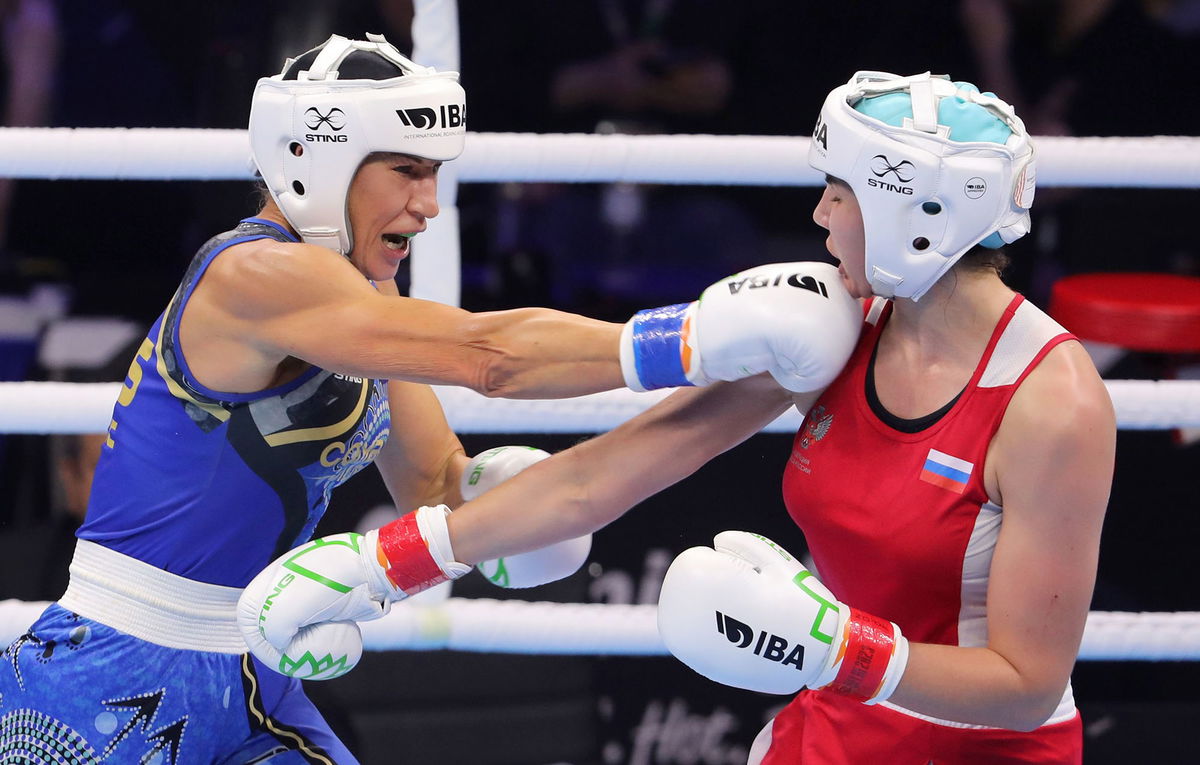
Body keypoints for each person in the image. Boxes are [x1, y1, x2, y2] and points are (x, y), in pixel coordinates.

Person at [0, 32, 860, 763]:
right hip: (106, 672)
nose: (430, 205)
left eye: (435, 173)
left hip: (256, 677)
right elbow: (491, 358)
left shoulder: (368, 315)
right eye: (408, 172)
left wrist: (752, 386)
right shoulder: (252, 273)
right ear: (319, 161)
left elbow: (444, 493)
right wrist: (697, 336)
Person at [243, 70, 1114, 764]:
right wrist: (390, 561)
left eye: (839, 193)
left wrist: (838, 650)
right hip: (839, 734)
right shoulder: (841, 329)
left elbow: (1026, 683)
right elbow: (607, 472)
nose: (818, 215)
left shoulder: (1051, 402)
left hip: (985, 750)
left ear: (913, 214)